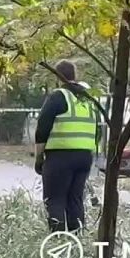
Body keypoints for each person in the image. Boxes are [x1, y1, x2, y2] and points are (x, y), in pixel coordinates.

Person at [34, 61, 100, 233]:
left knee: (55, 200)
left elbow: (42, 129)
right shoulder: (88, 99)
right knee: (75, 200)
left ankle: (59, 244)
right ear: (75, 75)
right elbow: (98, 130)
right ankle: (77, 241)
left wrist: (39, 158)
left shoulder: (58, 97)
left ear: (57, 77)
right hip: (84, 157)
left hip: (60, 157)